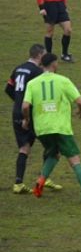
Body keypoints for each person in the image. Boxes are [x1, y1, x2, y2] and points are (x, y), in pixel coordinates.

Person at [21, 53, 81, 204]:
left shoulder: (32, 83)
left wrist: (26, 119)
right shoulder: (63, 81)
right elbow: (80, 102)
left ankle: (40, 181)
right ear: (55, 64)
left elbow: (25, 105)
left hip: (42, 129)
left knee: (54, 154)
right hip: (61, 127)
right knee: (75, 161)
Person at [5, 44, 63, 194]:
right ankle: (45, 178)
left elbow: (8, 89)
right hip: (30, 114)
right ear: (39, 56)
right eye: (44, 55)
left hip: (17, 112)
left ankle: (18, 183)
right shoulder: (37, 71)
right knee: (51, 145)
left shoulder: (18, 68)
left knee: (24, 148)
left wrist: (19, 101)